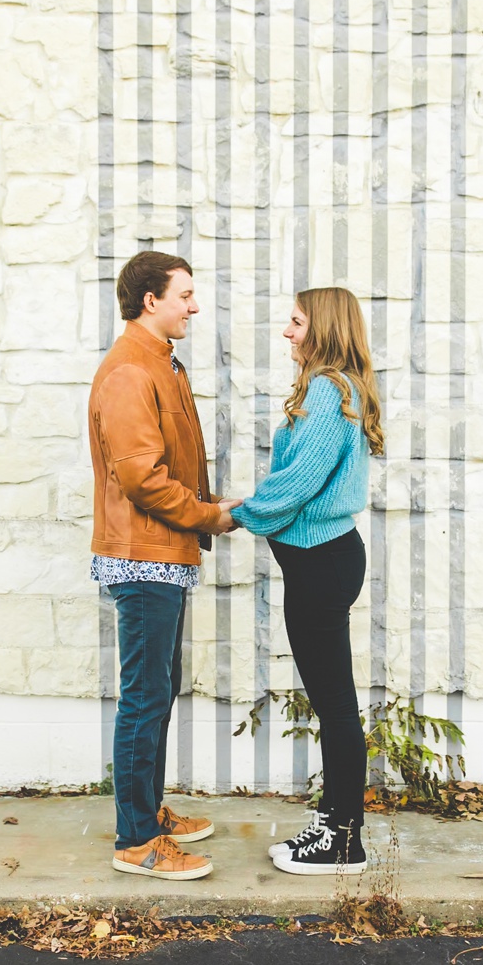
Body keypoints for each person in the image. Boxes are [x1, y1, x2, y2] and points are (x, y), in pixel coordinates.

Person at [88, 250, 240, 881]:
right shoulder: (130, 372)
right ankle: (135, 842)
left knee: (155, 692)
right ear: (150, 300)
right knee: (144, 699)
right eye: (185, 294)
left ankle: (145, 813)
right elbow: (143, 480)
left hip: (160, 555)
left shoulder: (157, 363)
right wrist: (211, 516)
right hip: (144, 556)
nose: (194, 306)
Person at [230, 287, 384, 875]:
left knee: (336, 707)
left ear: (322, 328)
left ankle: (345, 840)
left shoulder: (328, 388)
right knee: (333, 703)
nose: (287, 333)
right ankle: (334, 821)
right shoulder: (338, 387)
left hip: (321, 564)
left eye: (296, 323)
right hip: (326, 561)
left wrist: (235, 513)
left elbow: (299, 480)